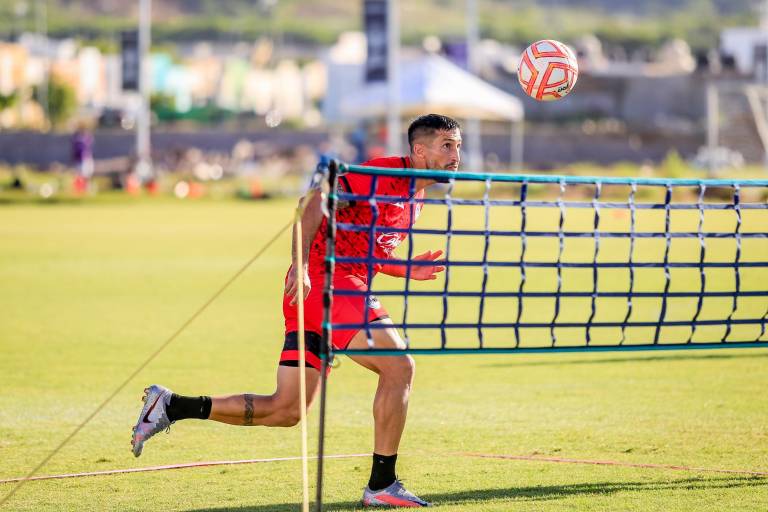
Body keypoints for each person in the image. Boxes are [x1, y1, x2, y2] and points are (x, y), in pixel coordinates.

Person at [131, 113, 462, 508]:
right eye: (447, 146)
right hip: (325, 282)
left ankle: (170, 405)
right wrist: (301, 264)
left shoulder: (416, 198)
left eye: (457, 146)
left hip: (332, 288)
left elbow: (368, 250)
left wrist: (408, 269)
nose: (456, 155)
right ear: (419, 150)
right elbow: (314, 202)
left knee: (286, 410)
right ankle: (381, 485)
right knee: (399, 366)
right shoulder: (381, 174)